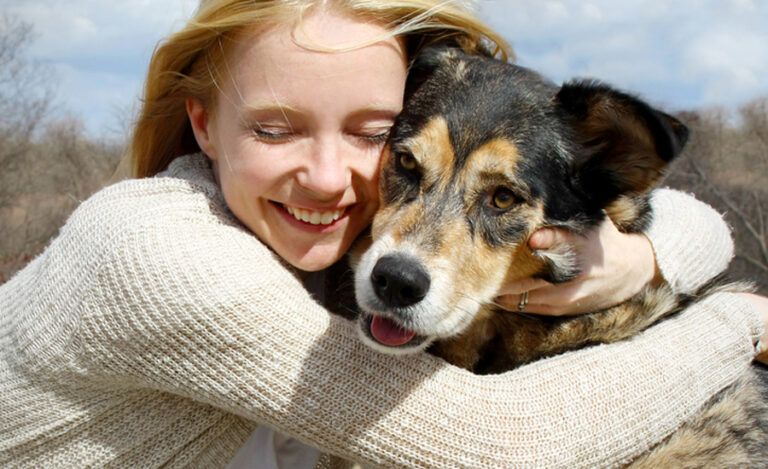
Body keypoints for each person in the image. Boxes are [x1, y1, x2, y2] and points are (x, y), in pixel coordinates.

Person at [0, 0, 766, 467]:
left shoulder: (313, 232)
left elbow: (683, 215)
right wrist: (741, 321)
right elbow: (504, 444)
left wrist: (645, 257)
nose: (332, 178)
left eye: (369, 134)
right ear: (202, 122)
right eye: (274, 127)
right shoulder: (160, 253)